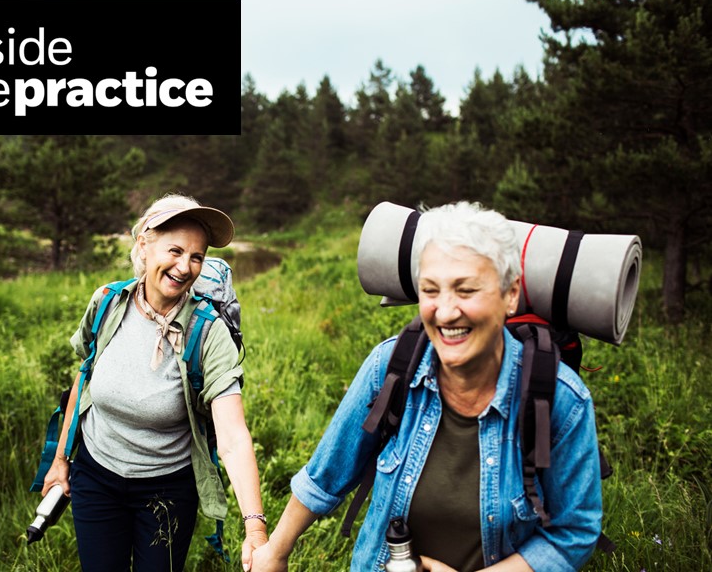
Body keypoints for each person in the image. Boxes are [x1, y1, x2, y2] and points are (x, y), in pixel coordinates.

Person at [252, 202, 602, 572]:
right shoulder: (390, 368)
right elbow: (326, 474)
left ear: (510, 294)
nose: (446, 311)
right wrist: (275, 552)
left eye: (466, 290)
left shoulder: (561, 400)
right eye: (431, 291)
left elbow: (573, 533)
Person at [42, 194, 267, 571]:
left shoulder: (208, 333)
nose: (185, 267)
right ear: (144, 245)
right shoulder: (108, 303)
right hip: (95, 476)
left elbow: (232, 437)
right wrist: (60, 460)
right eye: (175, 250)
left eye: (197, 256)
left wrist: (255, 528)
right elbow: (84, 380)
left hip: (167, 491)